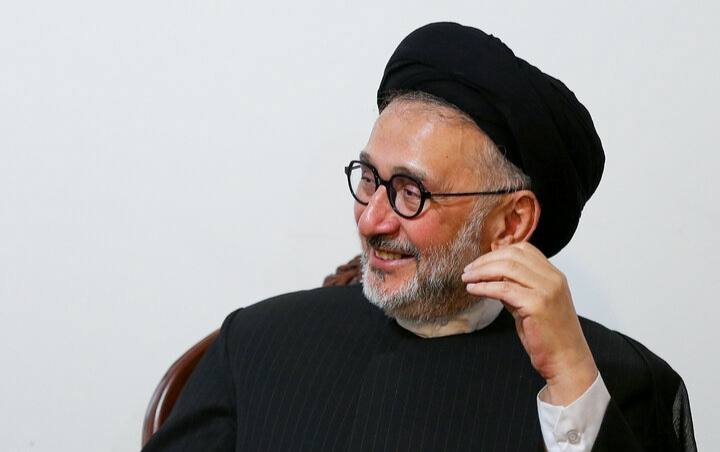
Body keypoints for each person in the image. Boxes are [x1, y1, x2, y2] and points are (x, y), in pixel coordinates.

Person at [142, 22, 696, 451]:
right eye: (370, 179)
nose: (371, 221)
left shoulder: (616, 383)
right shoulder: (256, 347)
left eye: (412, 192)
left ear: (511, 223)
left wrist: (572, 385)